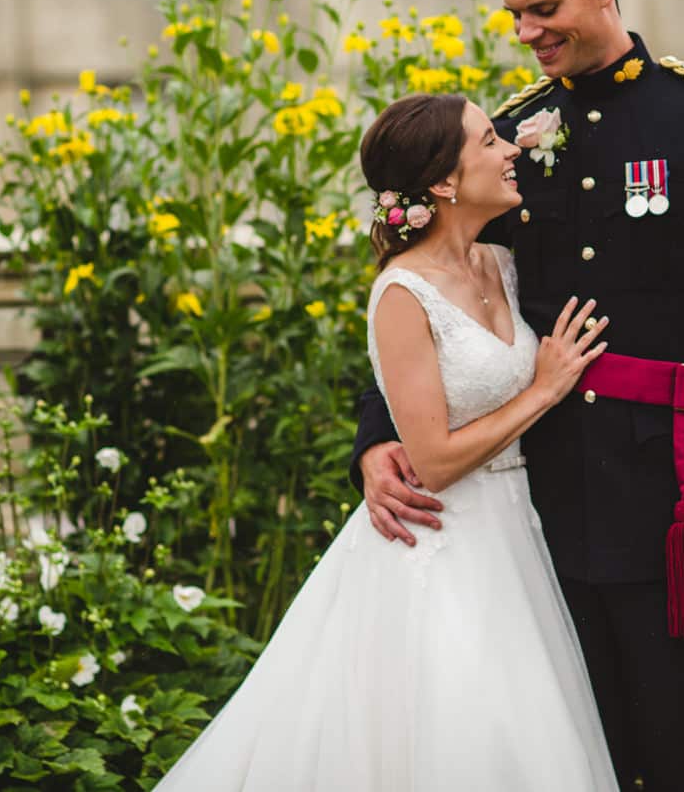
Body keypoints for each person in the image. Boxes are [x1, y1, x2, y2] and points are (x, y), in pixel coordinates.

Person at [352, 0, 684, 791]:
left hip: (667, 505)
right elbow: (432, 276)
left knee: (670, 762)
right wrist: (375, 436)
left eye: (545, 8)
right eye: (515, 14)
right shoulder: (511, 137)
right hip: (534, 508)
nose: (528, 32)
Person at [156, 93, 619, 790]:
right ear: (443, 181)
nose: (509, 150)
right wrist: (544, 390)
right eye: (489, 141)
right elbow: (431, 460)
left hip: (513, 535)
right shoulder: (403, 293)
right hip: (437, 542)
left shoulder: (501, 262)